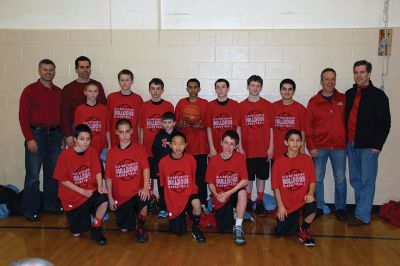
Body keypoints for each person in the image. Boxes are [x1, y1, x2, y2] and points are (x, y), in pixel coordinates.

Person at [345, 60, 391, 226]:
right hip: (351, 143)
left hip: (368, 147)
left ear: (369, 74)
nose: (359, 75)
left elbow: (385, 123)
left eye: (362, 72)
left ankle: (363, 216)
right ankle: (360, 212)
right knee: (355, 179)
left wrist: (378, 145)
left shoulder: (378, 96)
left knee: (367, 180)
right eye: (356, 72)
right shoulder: (349, 94)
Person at [18, 59, 62, 221]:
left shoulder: (59, 92)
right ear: (39, 71)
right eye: (45, 69)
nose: (48, 72)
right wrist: (29, 138)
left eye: (51, 69)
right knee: (33, 176)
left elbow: (62, 116)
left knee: (52, 173)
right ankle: (30, 210)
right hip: (36, 135)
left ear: (54, 71)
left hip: (56, 135)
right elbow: (22, 116)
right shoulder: (29, 90)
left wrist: (63, 136)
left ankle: (50, 205)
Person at [53, 124, 108, 245]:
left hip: (90, 191)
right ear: (75, 139)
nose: (85, 142)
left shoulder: (92, 151)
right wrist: (82, 191)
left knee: (104, 199)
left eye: (88, 139)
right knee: (77, 234)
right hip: (73, 197)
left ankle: (96, 228)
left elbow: (98, 171)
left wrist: (99, 186)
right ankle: (82, 217)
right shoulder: (65, 156)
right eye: (82, 139)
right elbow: (63, 180)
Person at [306, 68, 347, 221]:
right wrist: (311, 146)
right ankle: (320, 206)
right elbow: (308, 126)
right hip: (319, 147)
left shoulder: (343, 99)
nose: (330, 82)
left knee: (341, 179)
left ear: (335, 80)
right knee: (317, 179)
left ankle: (341, 208)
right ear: (321, 81)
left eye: (333, 79)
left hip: (339, 147)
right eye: (327, 79)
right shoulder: (313, 101)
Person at [105, 119, 150, 242]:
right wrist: (110, 198)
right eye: (121, 132)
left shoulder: (139, 149)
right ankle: (133, 218)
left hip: (137, 192)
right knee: (124, 229)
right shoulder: (111, 153)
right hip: (121, 197)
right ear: (116, 133)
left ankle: (140, 226)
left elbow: (146, 169)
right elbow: (108, 178)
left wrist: (146, 187)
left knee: (144, 198)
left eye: (127, 132)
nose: (124, 135)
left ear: (132, 132)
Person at [272, 129, 317, 247]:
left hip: (302, 200)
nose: (295, 143)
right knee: (281, 233)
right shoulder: (278, 162)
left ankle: (304, 230)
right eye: (292, 140)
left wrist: (310, 193)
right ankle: (279, 216)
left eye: (298, 140)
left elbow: (312, 181)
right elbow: (276, 187)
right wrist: (280, 206)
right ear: (286, 142)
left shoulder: (307, 160)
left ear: (302, 143)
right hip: (286, 204)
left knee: (312, 202)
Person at [158, 132, 206, 243]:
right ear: (170, 145)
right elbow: (163, 185)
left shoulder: (191, 160)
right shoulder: (163, 162)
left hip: (188, 194)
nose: (178, 147)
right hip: (173, 198)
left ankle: (196, 228)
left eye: (181, 144)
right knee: (178, 232)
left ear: (185, 145)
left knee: (197, 203)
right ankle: (179, 216)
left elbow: (192, 180)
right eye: (175, 144)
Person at [238, 75, 273, 217]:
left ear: (261, 88)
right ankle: (247, 200)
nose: (255, 88)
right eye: (252, 85)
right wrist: (240, 147)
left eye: (258, 86)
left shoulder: (268, 105)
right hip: (247, 148)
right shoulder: (241, 106)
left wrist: (271, 147)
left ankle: (259, 200)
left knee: (261, 177)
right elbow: (238, 128)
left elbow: (271, 128)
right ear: (247, 86)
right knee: (248, 177)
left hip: (263, 148)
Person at [206, 130, 248, 245]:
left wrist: (229, 193)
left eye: (232, 144)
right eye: (226, 143)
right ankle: (235, 212)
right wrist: (216, 195)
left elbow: (244, 181)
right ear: (221, 143)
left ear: (237, 146)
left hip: (232, 193)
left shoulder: (240, 157)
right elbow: (210, 183)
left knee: (243, 193)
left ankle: (238, 227)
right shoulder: (213, 160)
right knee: (223, 228)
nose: (228, 147)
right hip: (220, 196)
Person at [175, 78, 209, 210]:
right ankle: (187, 202)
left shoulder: (205, 103)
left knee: (201, 177)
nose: (193, 89)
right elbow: (176, 123)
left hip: (200, 147)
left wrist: (201, 125)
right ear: (187, 89)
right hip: (185, 148)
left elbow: (208, 123)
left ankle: (202, 202)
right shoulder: (181, 103)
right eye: (190, 87)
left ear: (199, 89)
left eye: (195, 87)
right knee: (186, 177)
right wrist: (180, 124)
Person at [139, 78, 174, 203]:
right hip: (148, 149)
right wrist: (141, 146)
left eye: (158, 88)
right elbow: (141, 128)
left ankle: (163, 200)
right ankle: (149, 199)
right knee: (148, 177)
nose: (155, 91)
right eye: (153, 88)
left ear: (162, 90)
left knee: (162, 177)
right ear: (149, 90)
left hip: (163, 150)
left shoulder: (168, 105)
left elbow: (172, 129)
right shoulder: (143, 106)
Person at [61, 56, 106, 148]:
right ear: (76, 69)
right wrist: (68, 135)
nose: (85, 70)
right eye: (82, 67)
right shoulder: (68, 88)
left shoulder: (97, 85)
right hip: (76, 128)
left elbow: (104, 107)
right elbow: (64, 114)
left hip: (96, 127)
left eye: (87, 67)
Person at [151, 111, 181, 218]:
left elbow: (183, 149)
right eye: (164, 122)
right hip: (162, 167)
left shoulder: (178, 134)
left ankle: (175, 207)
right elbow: (154, 149)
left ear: (174, 123)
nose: (167, 125)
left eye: (169, 122)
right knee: (162, 188)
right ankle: (163, 208)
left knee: (174, 187)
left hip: (175, 167)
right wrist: (160, 159)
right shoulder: (159, 135)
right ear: (162, 123)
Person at [107, 69, 143, 147]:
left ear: (132, 81)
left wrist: (140, 141)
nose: (124, 83)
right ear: (119, 81)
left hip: (132, 139)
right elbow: (107, 121)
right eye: (122, 80)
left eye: (127, 80)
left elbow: (139, 124)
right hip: (115, 139)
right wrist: (108, 143)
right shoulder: (111, 97)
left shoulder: (138, 99)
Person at [272, 79, 306, 159]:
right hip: (277, 151)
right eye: (284, 89)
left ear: (294, 91)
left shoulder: (301, 108)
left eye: (290, 89)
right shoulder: (272, 107)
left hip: (294, 151)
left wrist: (302, 148)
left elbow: (303, 131)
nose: (287, 92)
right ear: (280, 91)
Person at [207, 78, 241, 157]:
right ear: (215, 90)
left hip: (231, 147)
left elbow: (238, 128)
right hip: (215, 147)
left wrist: (238, 147)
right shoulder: (210, 105)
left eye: (223, 87)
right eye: (218, 87)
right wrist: (212, 148)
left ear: (228, 89)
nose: (220, 89)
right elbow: (208, 128)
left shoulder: (235, 105)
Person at [74, 82, 110, 157]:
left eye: (95, 91)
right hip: (85, 147)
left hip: (101, 147)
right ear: (85, 92)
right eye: (90, 91)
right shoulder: (79, 109)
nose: (92, 94)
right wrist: (77, 146)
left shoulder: (104, 109)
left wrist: (109, 145)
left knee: (99, 168)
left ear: (98, 93)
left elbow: (107, 130)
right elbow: (77, 131)